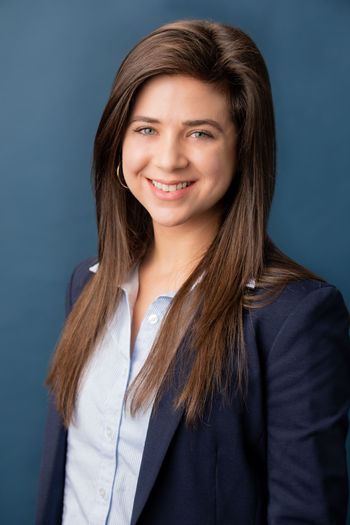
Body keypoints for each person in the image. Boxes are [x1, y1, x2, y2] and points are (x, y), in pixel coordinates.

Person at [36, 19, 350, 525]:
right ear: (117, 143)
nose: (168, 159)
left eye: (200, 133)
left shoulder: (295, 320)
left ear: (241, 149)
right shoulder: (89, 284)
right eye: (146, 129)